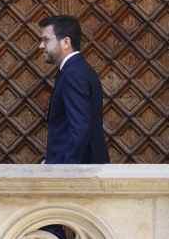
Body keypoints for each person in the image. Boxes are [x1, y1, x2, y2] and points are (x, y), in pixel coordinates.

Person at [38, 15, 110, 238]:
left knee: (48, 223)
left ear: (65, 41)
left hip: (77, 166)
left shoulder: (74, 73)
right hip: (75, 162)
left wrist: (66, 169)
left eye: (45, 40)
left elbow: (80, 126)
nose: (41, 46)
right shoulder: (75, 70)